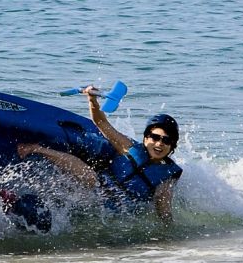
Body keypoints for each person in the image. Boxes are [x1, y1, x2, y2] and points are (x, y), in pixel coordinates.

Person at [17, 86, 182, 222]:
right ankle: (36, 149)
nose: (159, 143)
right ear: (146, 138)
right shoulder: (129, 147)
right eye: (155, 137)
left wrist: (168, 234)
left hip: (118, 213)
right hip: (96, 190)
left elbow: (163, 205)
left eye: (166, 141)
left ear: (172, 146)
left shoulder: (168, 175)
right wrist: (92, 99)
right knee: (89, 177)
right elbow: (101, 122)